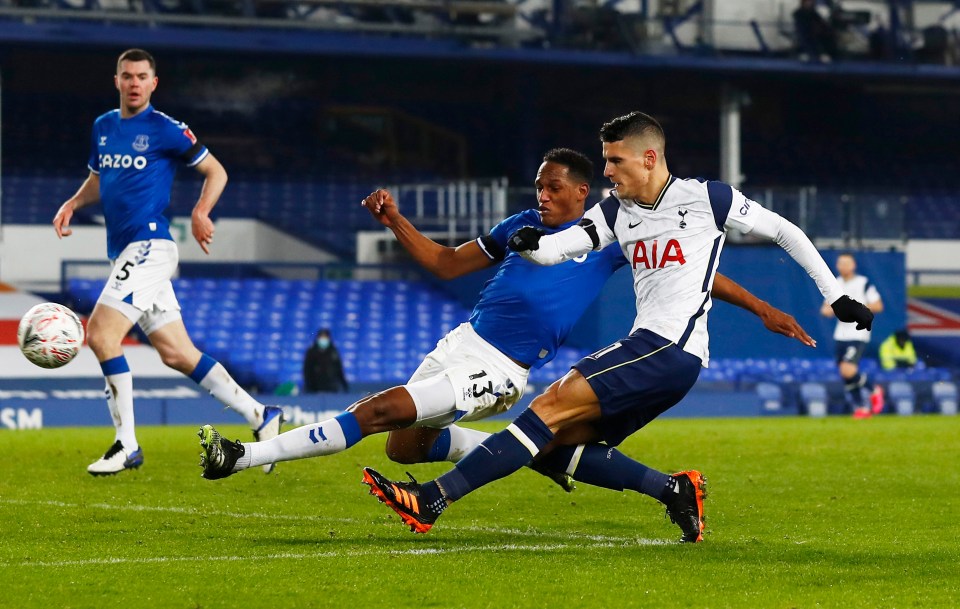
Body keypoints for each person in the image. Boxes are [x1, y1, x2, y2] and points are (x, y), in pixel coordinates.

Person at [361, 111, 874, 542]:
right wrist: (529, 244)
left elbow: (786, 231)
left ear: (649, 158)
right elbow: (561, 247)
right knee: (555, 443)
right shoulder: (616, 212)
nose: (607, 171)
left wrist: (836, 294)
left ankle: (432, 499)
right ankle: (674, 490)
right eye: (605, 160)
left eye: (615, 161)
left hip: (669, 346)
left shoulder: (708, 199)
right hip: (658, 355)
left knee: (547, 408)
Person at [196, 148, 814, 488]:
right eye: (538, 186)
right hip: (461, 344)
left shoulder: (613, 231)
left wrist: (765, 309)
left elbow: (700, 275)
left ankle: (246, 457)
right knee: (402, 447)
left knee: (378, 409)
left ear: (580, 194)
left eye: (551, 189)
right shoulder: (519, 227)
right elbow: (443, 263)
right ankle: (524, 452)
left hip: (502, 371)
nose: (540, 196)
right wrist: (394, 220)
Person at [52, 48, 283, 476]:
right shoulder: (103, 127)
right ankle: (260, 415)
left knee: (101, 334)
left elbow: (217, 171)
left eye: (142, 76)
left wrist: (200, 212)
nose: (135, 83)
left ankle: (127, 444)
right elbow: (99, 180)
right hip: (126, 252)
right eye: (127, 76)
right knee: (177, 354)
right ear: (117, 81)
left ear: (153, 83)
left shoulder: (165, 129)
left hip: (151, 246)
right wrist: (73, 201)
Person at [819, 252, 885, 418]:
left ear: (853, 265)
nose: (843, 266)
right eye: (840, 263)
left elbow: (878, 305)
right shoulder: (834, 284)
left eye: (847, 263)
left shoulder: (863, 283)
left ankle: (874, 390)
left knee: (848, 370)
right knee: (844, 373)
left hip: (858, 332)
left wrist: (856, 308)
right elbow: (825, 309)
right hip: (841, 334)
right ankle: (861, 407)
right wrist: (835, 309)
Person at [302, 328, 350, 393]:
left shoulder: (333, 351)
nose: (323, 340)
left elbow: (339, 369)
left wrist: (344, 384)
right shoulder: (311, 352)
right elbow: (307, 370)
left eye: (325, 337)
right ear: (318, 338)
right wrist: (308, 385)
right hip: (315, 388)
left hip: (331, 387)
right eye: (321, 337)